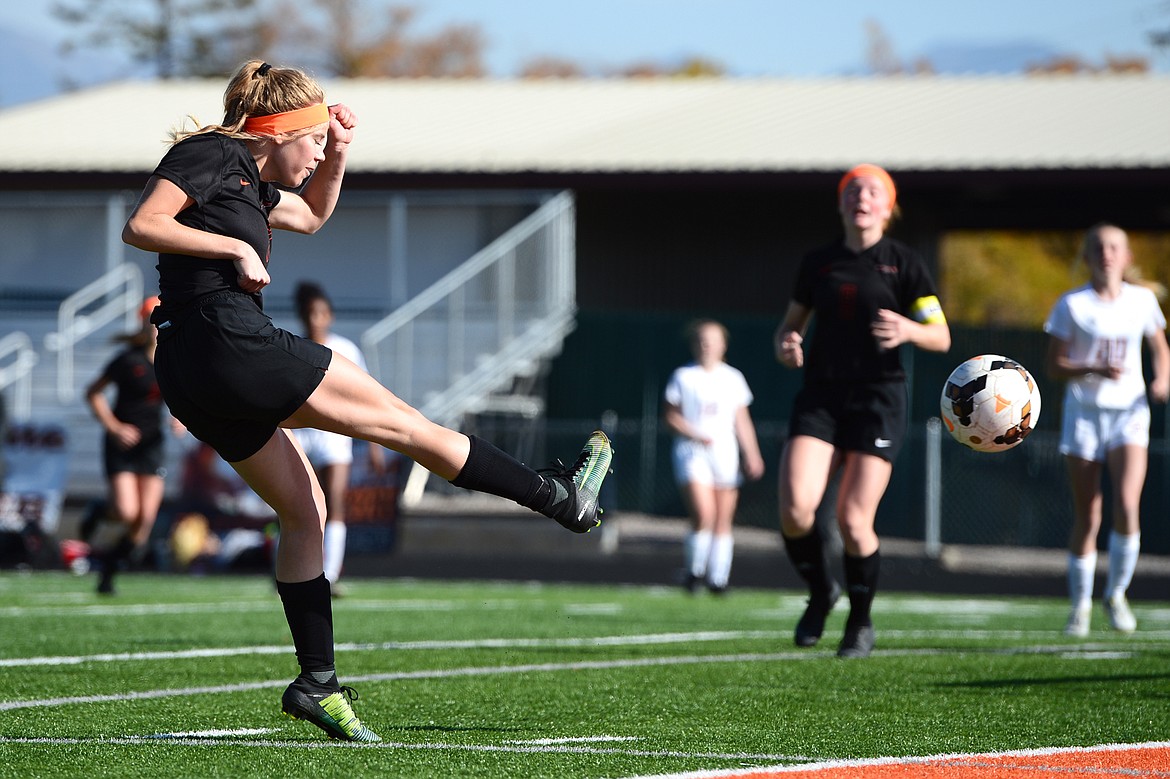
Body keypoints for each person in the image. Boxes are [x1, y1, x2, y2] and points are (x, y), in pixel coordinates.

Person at [120, 59, 612, 743]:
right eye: (316, 139)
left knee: (305, 510)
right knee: (407, 425)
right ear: (282, 128)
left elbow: (317, 214)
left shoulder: (255, 185)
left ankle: (315, 681)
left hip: (194, 367)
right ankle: (557, 496)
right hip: (223, 339)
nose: (319, 150)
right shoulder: (213, 154)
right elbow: (143, 224)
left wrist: (343, 151)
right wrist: (231, 245)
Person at [774, 164, 950, 659]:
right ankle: (821, 592)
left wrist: (910, 330)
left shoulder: (904, 262)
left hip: (878, 398)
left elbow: (940, 335)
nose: (862, 197)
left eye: (873, 191)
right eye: (852, 190)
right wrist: (787, 345)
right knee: (794, 511)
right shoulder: (819, 262)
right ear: (840, 203)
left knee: (854, 520)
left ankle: (860, 619)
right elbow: (788, 329)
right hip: (822, 396)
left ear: (889, 207)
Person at [1043, 223, 1170, 637]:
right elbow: (1053, 365)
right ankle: (1079, 605)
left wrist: (1161, 381)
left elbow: (1159, 347)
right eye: (1098, 247)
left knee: (1128, 505)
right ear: (1087, 256)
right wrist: (1092, 367)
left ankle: (1116, 594)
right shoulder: (1072, 304)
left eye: (1115, 246)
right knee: (1089, 513)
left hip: (1129, 414)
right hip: (1084, 414)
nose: (1107, 253)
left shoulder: (1143, 300)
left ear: (1127, 256)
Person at [291, 280, 386, 597]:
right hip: (302, 437)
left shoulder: (345, 350)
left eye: (321, 313)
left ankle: (328, 575)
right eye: (309, 313)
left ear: (329, 316)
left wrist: (374, 445)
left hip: (335, 438)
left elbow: (367, 399)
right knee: (300, 506)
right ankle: (294, 567)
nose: (315, 319)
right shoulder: (292, 346)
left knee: (335, 503)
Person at [84, 295, 179, 594]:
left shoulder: (172, 361)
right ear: (143, 322)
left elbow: (186, 398)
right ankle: (99, 512)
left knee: (144, 521)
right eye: (151, 318)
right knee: (127, 512)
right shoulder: (128, 360)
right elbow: (93, 393)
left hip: (152, 446)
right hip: (122, 444)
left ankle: (108, 572)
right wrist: (114, 427)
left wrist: (183, 419)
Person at [664, 319, 764, 594]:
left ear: (723, 345)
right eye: (701, 340)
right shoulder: (683, 376)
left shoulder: (733, 378)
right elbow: (671, 416)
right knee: (704, 512)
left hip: (725, 453)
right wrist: (694, 433)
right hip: (692, 451)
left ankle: (718, 578)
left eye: (712, 340)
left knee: (723, 518)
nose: (706, 345)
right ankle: (694, 571)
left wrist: (752, 454)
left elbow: (742, 420)